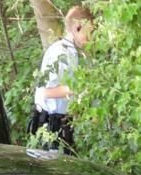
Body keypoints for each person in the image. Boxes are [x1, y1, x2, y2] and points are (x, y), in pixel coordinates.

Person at [28, 6, 94, 154]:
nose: (90, 38)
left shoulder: (75, 53)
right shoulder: (59, 53)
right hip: (51, 127)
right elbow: (46, 91)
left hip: (65, 125)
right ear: (77, 28)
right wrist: (78, 89)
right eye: (88, 32)